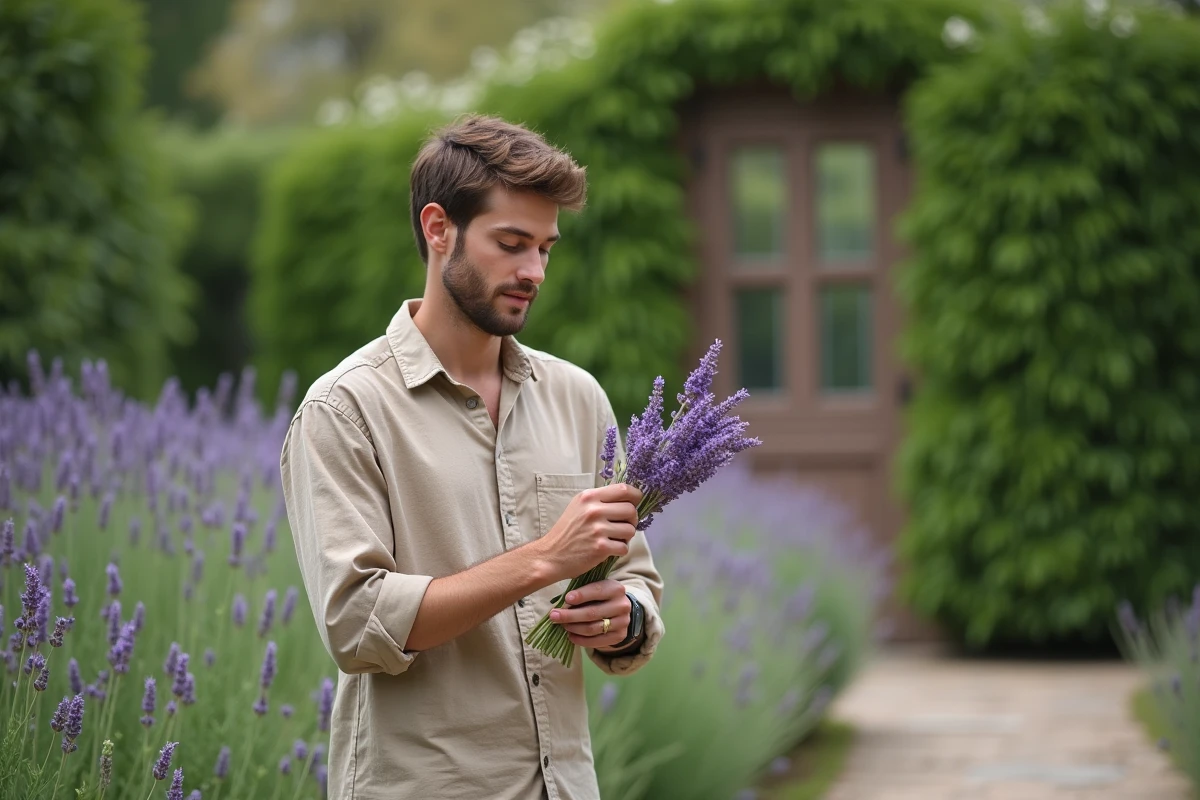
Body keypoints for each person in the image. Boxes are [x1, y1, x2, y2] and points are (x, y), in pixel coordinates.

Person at [279, 113, 665, 800]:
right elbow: (357, 624)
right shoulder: (345, 410)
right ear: (438, 229)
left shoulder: (578, 399)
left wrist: (622, 619)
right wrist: (546, 559)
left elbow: (636, 583)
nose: (534, 271)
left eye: (546, 247)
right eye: (511, 243)